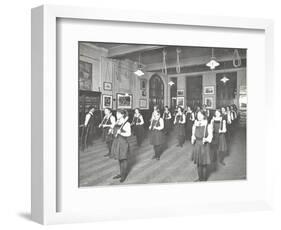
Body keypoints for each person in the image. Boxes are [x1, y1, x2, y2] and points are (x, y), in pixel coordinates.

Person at [191, 110, 213, 181]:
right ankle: (200, 178)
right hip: (197, 144)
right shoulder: (195, 124)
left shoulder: (208, 124)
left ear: (204, 116)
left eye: (200, 115)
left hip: (204, 145)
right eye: (198, 115)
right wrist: (193, 138)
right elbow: (193, 134)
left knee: (204, 163)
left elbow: (210, 136)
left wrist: (206, 139)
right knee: (198, 163)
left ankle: (204, 179)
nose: (199, 116)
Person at [111, 110, 131, 183]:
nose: (116, 115)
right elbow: (115, 130)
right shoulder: (117, 122)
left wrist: (121, 132)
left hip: (123, 143)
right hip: (116, 142)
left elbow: (129, 134)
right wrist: (112, 130)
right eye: (116, 113)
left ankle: (124, 175)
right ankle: (121, 173)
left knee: (123, 159)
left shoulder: (127, 123)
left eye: (118, 114)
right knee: (119, 158)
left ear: (122, 115)